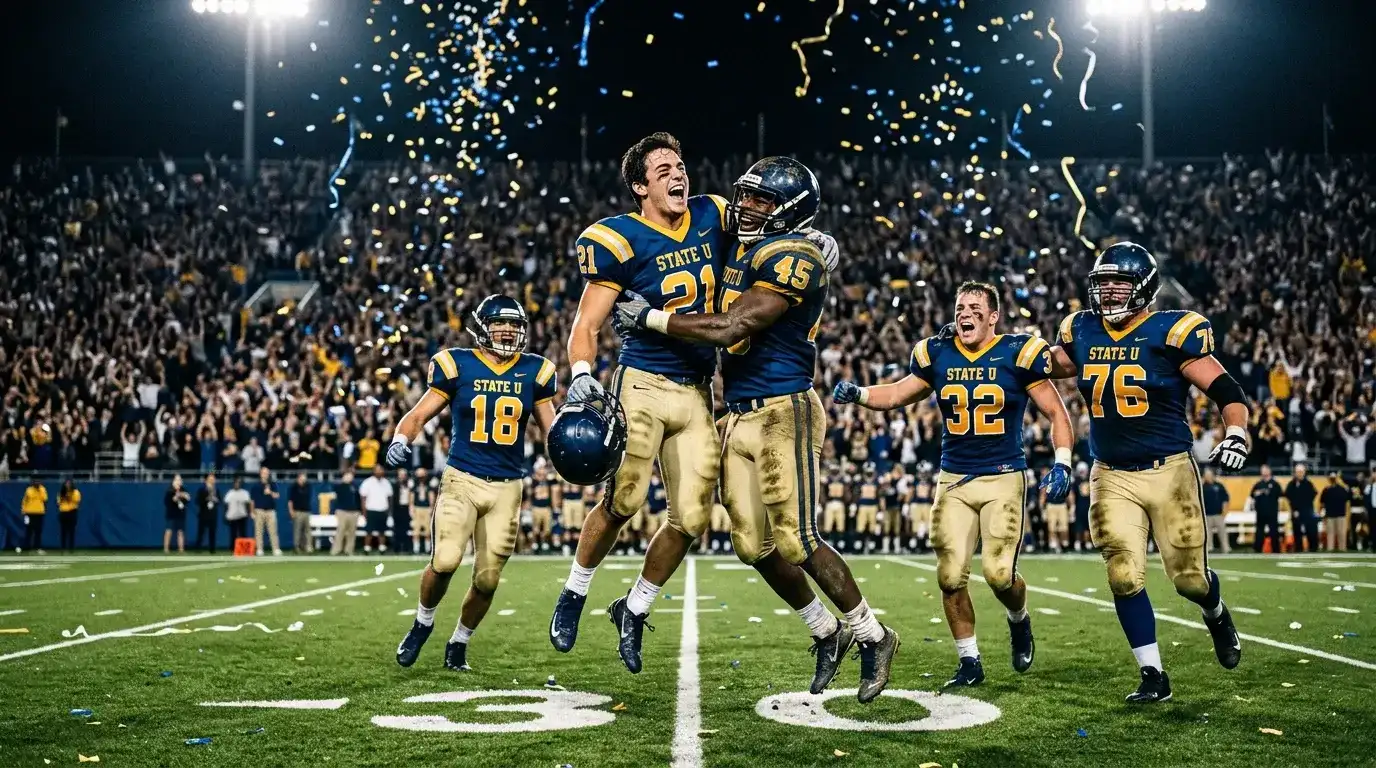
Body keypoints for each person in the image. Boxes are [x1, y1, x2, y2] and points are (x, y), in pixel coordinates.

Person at [549, 134, 841, 677]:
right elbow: (585, 324)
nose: (677, 174)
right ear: (640, 186)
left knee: (691, 517)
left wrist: (814, 238)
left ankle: (633, 608)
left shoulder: (713, 213)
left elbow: (771, 219)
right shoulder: (617, 237)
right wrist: (584, 375)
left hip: (699, 388)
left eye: (680, 165)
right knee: (625, 498)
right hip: (642, 380)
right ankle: (574, 591)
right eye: (662, 169)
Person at [616, 156, 894, 703]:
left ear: (789, 212)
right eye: (745, 195)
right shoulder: (746, 244)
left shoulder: (795, 255)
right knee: (752, 544)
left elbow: (733, 325)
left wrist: (650, 318)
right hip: (738, 413)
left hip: (784, 408)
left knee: (798, 538)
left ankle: (873, 635)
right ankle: (824, 630)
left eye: (762, 201)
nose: (745, 207)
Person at [834, 280, 1076, 690]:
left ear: (994, 316)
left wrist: (1063, 462)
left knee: (1000, 575)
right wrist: (859, 394)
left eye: (975, 308)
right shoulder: (937, 352)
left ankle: (1019, 619)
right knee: (950, 577)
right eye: (960, 307)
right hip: (954, 478)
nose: (964, 314)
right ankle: (969, 661)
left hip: (1002, 475)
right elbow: (897, 393)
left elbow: (1056, 411)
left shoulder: (1018, 352)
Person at [1048, 241, 1248, 703]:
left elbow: (1226, 389)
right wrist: (976, 346)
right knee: (1122, 573)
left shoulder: (1173, 330)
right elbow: (1038, 364)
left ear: (1144, 287)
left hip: (1170, 470)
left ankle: (1215, 612)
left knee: (1189, 580)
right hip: (1110, 472)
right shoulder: (1081, 330)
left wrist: (1235, 432)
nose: (1110, 293)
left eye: (1119, 283)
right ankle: (1152, 674)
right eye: (1104, 284)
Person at [388, 294, 558, 672]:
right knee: (446, 560)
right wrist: (402, 440)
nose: (509, 331)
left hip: (508, 487)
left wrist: (576, 452)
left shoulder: (535, 371)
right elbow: (417, 415)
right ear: (481, 327)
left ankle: (459, 643)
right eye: (502, 323)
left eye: (515, 325)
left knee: (487, 579)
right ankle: (422, 623)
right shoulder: (457, 364)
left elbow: (552, 433)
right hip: (462, 478)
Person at [359, 465, 394, 554]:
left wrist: (389, 511)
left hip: (383, 510)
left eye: (381, 470)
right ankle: (367, 548)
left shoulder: (386, 483)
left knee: (382, 531)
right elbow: (363, 498)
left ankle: (382, 548)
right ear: (373, 471)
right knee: (369, 531)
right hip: (371, 510)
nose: (379, 471)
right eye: (377, 470)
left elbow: (389, 498)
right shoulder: (367, 482)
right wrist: (364, 512)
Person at [1248, 465, 1283, 553]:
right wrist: (1257, 494)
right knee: (1259, 532)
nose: (1263, 472)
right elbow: (1252, 495)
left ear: (1269, 471)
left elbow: (1280, 496)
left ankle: (1276, 550)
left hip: (1272, 512)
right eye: (1262, 470)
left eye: (1265, 470)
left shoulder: (1275, 484)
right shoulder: (1258, 484)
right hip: (1260, 512)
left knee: (1274, 532)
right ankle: (1257, 550)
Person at [1284, 463, 1318, 552]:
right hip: (1295, 512)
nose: (1299, 473)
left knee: (1311, 531)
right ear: (1295, 473)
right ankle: (1299, 549)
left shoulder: (1308, 484)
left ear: (1304, 472)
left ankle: (1313, 549)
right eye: (1298, 472)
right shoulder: (1291, 484)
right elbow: (1288, 496)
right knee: (1297, 531)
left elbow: (1313, 495)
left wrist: (1305, 507)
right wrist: (1294, 509)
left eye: (1301, 472)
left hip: (1307, 511)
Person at [250, 467, 282, 556]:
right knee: (259, 531)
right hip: (259, 510)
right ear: (260, 474)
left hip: (270, 511)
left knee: (273, 531)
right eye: (264, 473)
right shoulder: (255, 486)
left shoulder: (272, 484)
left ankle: (276, 549)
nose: (265, 474)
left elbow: (277, 496)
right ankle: (259, 549)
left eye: (267, 473)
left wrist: (270, 492)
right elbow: (252, 501)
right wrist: (252, 512)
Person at [331, 470, 361, 555]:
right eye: (348, 475)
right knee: (340, 531)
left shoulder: (355, 487)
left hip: (354, 512)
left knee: (352, 532)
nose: (349, 477)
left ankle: (349, 550)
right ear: (344, 476)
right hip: (342, 512)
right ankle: (336, 550)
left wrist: (358, 511)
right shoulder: (338, 486)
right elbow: (334, 497)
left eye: (351, 476)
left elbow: (358, 499)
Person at [1201, 468, 1231, 554]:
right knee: (1207, 533)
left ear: (1213, 476)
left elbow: (1226, 499)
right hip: (1207, 515)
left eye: (1209, 475)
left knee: (1222, 532)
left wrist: (1224, 512)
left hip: (1218, 514)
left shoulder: (1219, 486)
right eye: (1206, 475)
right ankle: (1209, 549)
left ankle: (1226, 548)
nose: (1208, 477)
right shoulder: (1202, 487)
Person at [1320, 473, 1350, 552]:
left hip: (1339, 515)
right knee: (1332, 534)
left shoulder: (1342, 489)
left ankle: (1342, 549)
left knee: (1340, 534)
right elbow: (1322, 503)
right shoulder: (1327, 490)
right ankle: (1332, 549)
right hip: (1331, 515)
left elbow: (1347, 501)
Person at [195, 473, 221, 554]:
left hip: (213, 513)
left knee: (212, 531)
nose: (212, 480)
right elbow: (198, 501)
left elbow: (219, 500)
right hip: (204, 512)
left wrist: (215, 500)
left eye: (213, 479)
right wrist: (207, 499)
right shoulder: (202, 489)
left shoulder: (216, 490)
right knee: (201, 531)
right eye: (211, 478)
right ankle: (198, 548)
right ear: (206, 480)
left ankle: (212, 549)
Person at [164, 474, 190, 554]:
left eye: (180, 480)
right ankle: (166, 549)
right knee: (169, 531)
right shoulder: (169, 490)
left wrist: (183, 495)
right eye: (177, 480)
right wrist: (176, 497)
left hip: (180, 514)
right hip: (171, 513)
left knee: (181, 532)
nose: (179, 481)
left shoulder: (183, 490)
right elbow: (168, 501)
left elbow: (187, 499)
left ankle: (181, 549)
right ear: (173, 481)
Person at [21, 477, 47, 554]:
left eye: (38, 481)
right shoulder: (29, 490)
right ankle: (26, 547)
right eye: (35, 481)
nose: (37, 483)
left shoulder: (42, 489)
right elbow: (25, 501)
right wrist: (24, 510)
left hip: (39, 513)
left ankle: (38, 547)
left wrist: (39, 490)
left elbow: (45, 498)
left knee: (38, 531)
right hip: (29, 513)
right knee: (28, 531)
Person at [288, 472, 313, 554]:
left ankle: (308, 546)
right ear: (298, 478)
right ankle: (297, 547)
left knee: (307, 531)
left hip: (307, 511)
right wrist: (291, 511)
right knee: (297, 530)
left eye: (304, 478)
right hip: (297, 511)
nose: (304, 480)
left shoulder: (308, 486)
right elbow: (290, 500)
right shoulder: (294, 487)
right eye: (302, 478)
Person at [411, 467, 434, 555]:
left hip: (426, 508)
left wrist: (431, 508)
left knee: (427, 531)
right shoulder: (414, 486)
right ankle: (416, 550)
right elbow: (411, 498)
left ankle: (427, 549)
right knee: (416, 530)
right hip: (417, 508)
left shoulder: (429, 486)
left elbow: (431, 497)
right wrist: (411, 507)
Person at [224, 476, 252, 543]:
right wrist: (226, 515)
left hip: (242, 516)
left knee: (243, 533)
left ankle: (243, 549)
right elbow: (226, 505)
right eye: (235, 483)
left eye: (238, 483)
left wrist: (248, 513)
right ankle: (233, 548)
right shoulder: (229, 493)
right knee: (233, 533)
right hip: (232, 516)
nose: (237, 484)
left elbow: (248, 504)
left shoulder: (245, 493)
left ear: (240, 484)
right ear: (233, 484)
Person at [57, 479, 80, 553]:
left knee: (71, 531)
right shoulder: (61, 492)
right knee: (63, 531)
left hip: (72, 512)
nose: (68, 485)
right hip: (63, 513)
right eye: (66, 484)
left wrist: (69, 496)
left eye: (69, 484)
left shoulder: (75, 492)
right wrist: (64, 496)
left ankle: (71, 548)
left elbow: (76, 500)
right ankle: (63, 548)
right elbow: (58, 502)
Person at [393, 467, 412, 555]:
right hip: (397, 508)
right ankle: (396, 547)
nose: (402, 476)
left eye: (404, 475)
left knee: (406, 528)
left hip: (406, 508)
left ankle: (405, 547)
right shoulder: (395, 485)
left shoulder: (410, 484)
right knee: (397, 529)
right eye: (400, 475)